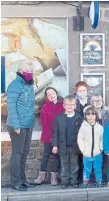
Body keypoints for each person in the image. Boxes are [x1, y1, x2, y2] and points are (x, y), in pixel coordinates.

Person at [6, 60, 36, 191]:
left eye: (31, 71)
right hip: (17, 125)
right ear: (20, 71)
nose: (29, 73)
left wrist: (31, 124)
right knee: (17, 154)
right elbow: (11, 107)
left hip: (28, 125)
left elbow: (29, 106)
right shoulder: (15, 85)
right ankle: (15, 182)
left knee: (24, 154)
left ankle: (23, 180)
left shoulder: (29, 85)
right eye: (27, 71)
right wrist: (17, 126)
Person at [52, 95, 84, 189]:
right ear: (64, 106)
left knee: (74, 165)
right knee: (64, 165)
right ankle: (64, 181)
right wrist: (54, 145)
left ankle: (74, 181)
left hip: (75, 146)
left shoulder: (79, 118)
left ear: (75, 106)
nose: (70, 106)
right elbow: (55, 133)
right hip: (63, 146)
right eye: (67, 104)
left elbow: (83, 133)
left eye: (72, 104)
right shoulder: (59, 118)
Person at [34, 87, 64, 186]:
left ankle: (54, 177)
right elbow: (44, 124)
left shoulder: (62, 105)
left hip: (59, 136)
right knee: (46, 155)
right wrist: (51, 136)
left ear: (56, 92)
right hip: (48, 135)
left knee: (57, 156)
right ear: (46, 96)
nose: (51, 95)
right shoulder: (45, 107)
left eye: (52, 92)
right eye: (48, 94)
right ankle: (41, 175)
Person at [78, 106, 104, 188]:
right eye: (88, 114)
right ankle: (85, 181)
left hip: (97, 153)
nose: (90, 116)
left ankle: (99, 181)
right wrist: (83, 150)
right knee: (86, 169)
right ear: (85, 116)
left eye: (92, 114)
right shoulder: (83, 127)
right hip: (86, 153)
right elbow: (80, 139)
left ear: (96, 116)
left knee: (98, 168)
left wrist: (100, 148)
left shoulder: (100, 128)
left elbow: (102, 139)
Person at [74, 81, 91, 183]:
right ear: (76, 92)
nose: (82, 92)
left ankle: (88, 176)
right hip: (78, 133)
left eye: (84, 90)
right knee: (79, 156)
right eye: (80, 90)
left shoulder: (90, 103)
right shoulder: (75, 104)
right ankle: (79, 177)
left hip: (89, 133)